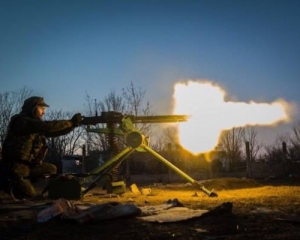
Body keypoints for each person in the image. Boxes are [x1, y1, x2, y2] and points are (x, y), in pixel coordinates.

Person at [0, 96, 82, 200]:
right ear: (33, 108)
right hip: (14, 166)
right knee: (28, 195)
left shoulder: (34, 126)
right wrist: (70, 122)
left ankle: (18, 183)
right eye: (42, 108)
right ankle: (8, 183)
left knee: (51, 169)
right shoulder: (21, 121)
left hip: (27, 166)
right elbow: (47, 126)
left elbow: (54, 131)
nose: (43, 112)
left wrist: (72, 126)